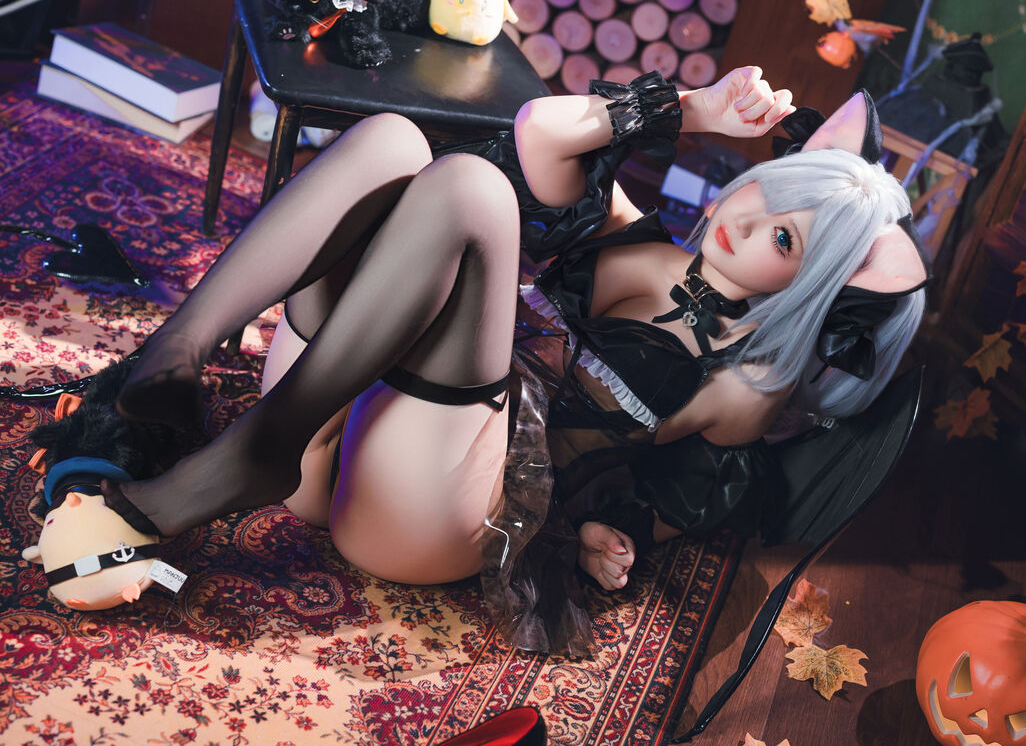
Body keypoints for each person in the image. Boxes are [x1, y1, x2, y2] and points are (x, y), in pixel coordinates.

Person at [103, 67, 926, 653]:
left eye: (783, 239)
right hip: (336, 428)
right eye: (770, 192)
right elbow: (540, 130)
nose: (745, 222)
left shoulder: (745, 382)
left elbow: (671, 495)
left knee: (471, 190)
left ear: (817, 284)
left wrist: (604, 533)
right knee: (392, 139)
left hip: (433, 510)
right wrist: (696, 107)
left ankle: (250, 450)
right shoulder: (632, 234)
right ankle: (176, 357)